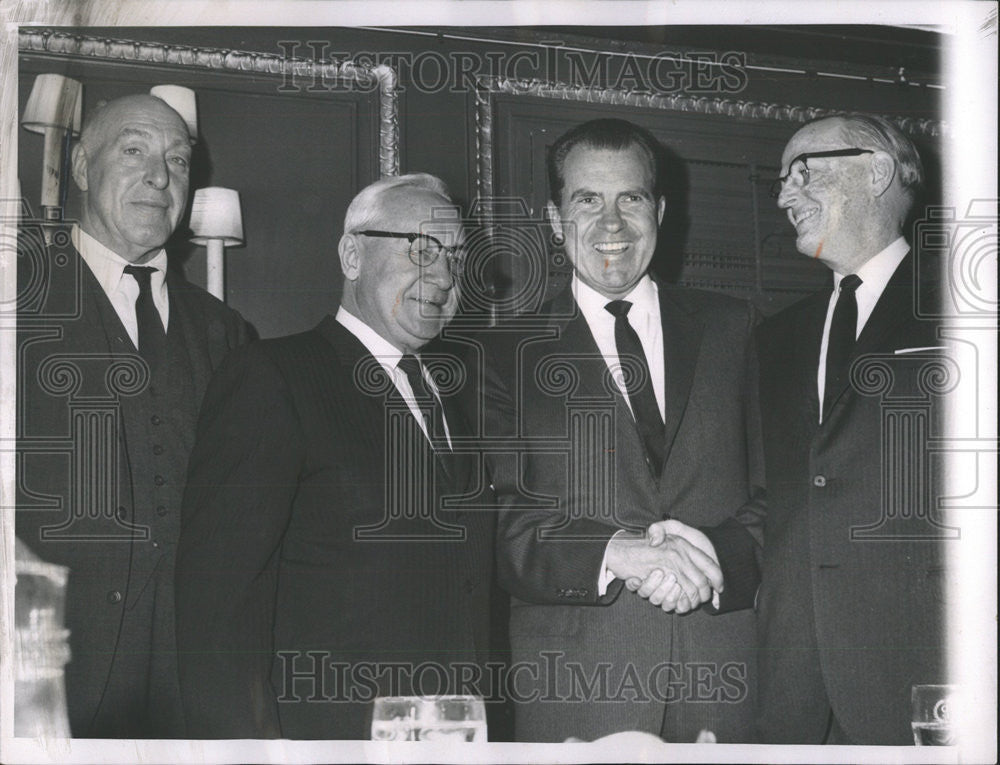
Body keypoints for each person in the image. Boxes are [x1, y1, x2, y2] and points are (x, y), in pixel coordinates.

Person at [646, 113, 948, 744]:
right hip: (797, 696)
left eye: (803, 173)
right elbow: (784, 501)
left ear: (878, 171)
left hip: (934, 678)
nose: (784, 196)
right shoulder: (778, 338)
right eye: (781, 181)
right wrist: (705, 554)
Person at [175, 174, 496, 739]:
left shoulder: (460, 396)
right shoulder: (273, 377)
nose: (444, 276)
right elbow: (217, 603)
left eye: (456, 257)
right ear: (352, 254)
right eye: (422, 248)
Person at [477, 118, 761, 742]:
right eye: (587, 201)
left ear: (659, 209)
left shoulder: (735, 329)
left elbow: (784, 493)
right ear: (555, 221)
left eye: (630, 198)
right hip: (577, 690)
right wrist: (616, 553)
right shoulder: (500, 354)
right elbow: (497, 523)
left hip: (726, 680)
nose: (611, 224)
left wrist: (715, 558)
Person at [15, 94, 249, 737]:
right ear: (83, 168)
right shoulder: (18, 303)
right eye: (135, 150)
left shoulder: (228, 336)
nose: (159, 176)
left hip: (191, 682)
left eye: (178, 160)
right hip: (48, 672)